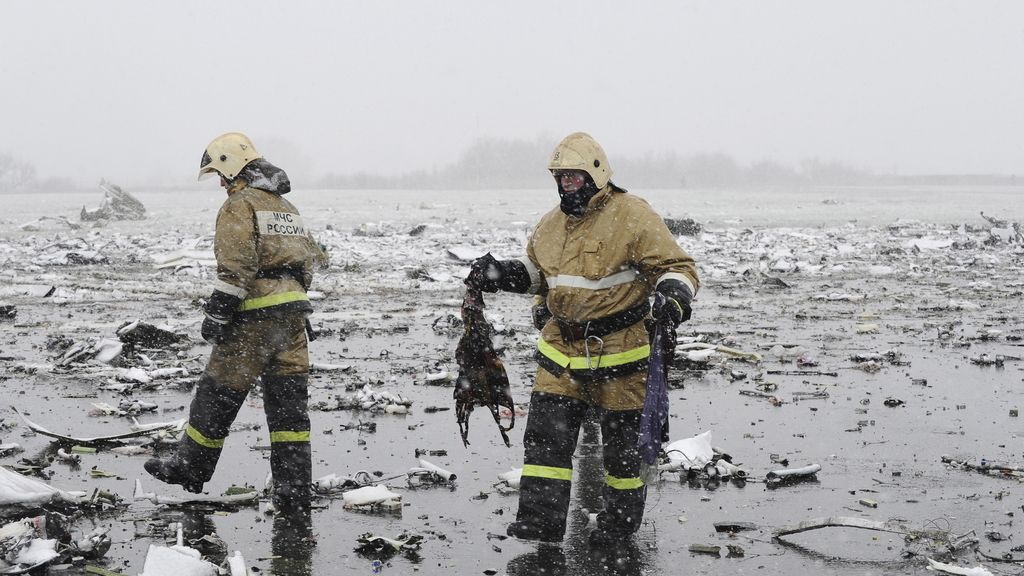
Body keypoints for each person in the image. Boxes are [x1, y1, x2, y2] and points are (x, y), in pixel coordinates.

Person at [465, 132, 699, 546]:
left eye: (573, 176)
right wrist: (502, 273)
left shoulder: (632, 214)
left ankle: (618, 526)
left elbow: (677, 265)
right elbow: (539, 273)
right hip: (561, 355)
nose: (566, 184)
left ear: (595, 172)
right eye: (560, 178)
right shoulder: (551, 224)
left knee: (622, 457)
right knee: (545, 446)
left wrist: (675, 294)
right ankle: (540, 522)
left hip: (622, 355)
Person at [145, 132, 318, 518]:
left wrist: (218, 315)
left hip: (254, 319)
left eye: (221, 175)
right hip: (294, 319)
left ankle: (191, 466)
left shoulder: (240, 205)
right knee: (289, 410)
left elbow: (236, 266)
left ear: (233, 167)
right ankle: (294, 491)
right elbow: (307, 262)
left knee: (217, 391)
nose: (221, 184)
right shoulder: (285, 206)